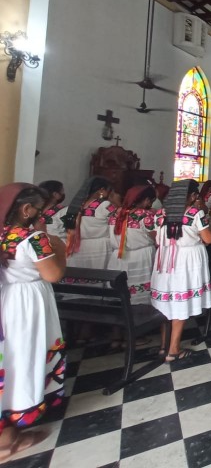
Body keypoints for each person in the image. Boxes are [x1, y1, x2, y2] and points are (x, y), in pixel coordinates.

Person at [0, 183, 67, 460]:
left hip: (7, 302)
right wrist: (59, 245)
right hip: (29, 306)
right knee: (27, 359)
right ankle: (9, 438)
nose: (43, 217)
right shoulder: (34, 238)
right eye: (41, 211)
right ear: (26, 210)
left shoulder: (4, 236)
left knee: (9, 359)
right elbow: (53, 274)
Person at [150, 180, 211, 362]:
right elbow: (208, 239)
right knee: (180, 304)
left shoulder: (160, 214)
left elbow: (154, 236)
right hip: (186, 263)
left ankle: (163, 346)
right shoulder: (195, 213)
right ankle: (174, 350)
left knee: (166, 303)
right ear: (193, 196)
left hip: (164, 261)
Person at [108, 185, 157, 306]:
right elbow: (156, 237)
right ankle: (142, 318)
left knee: (121, 296)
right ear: (146, 200)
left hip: (118, 257)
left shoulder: (115, 213)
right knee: (139, 299)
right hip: (141, 258)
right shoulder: (146, 216)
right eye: (150, 201)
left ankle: (119, 320)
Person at [63, 176, 115, 269]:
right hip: (99, 247)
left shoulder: (75, 205)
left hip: (78, 246)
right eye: (109, 190)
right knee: (97, 275)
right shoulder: (105, 205)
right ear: (101, 190)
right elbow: (116, 223)